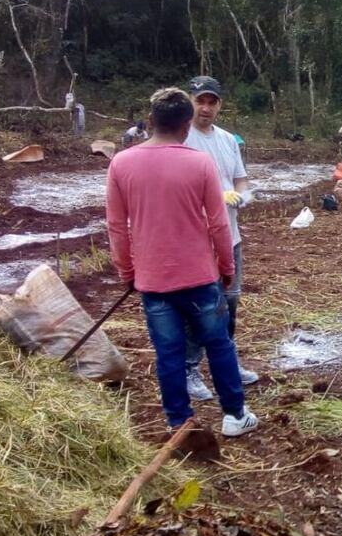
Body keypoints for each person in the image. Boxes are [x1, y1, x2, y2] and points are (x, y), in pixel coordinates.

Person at [105, 87, 257, 436]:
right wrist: (226, 268)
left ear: (152, 120)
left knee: (168, 352)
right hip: (200, 277)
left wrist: (127, 271)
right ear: (186, 125)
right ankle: (234, 415)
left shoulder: (122, 163)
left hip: (153, 281)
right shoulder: (199, 162)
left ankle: (179, 421)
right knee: (218, 343)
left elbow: (116, 226)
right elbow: (219, 224)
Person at [183, 75, 258, 401]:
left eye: (212, 102)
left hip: (231, 235)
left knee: (229, 303)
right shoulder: (181, 138)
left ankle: (224, 363)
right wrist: (213, 197)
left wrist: (242, 196)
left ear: (220, 105)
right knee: (201, 305)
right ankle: (189, 367)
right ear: (190, 102)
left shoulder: (228, 140)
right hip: (196, 238)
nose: (206, 107)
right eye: (200, 100)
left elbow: (239, 179)